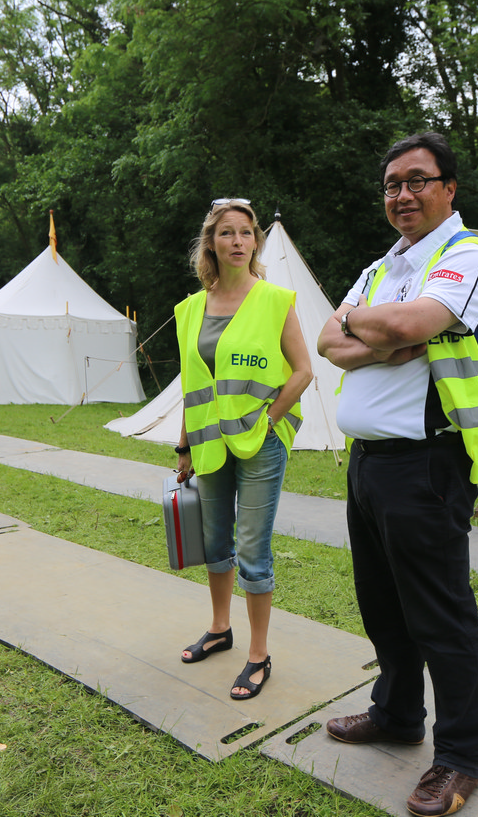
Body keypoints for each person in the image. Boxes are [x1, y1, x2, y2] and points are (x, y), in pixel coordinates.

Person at [316, 133, 478, 817]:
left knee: (441, 615)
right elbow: (326, 341)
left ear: (449, 188)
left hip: (429, 463)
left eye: (417, 180)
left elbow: (416, 320)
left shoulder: (468, 255)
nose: (402, 194)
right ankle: (396, 714)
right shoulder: (381, 266)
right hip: (369, 463)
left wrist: (370, 326)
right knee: (383, 605)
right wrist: (385, 338)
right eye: (393, 184)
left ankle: (460, 757)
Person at [174, 198, 312, 700]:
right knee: (215, 541)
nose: (237, 241)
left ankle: (258, 655)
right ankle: (219, 629)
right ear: (210, 243)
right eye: (227, 233)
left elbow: (303, 371)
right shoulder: (190, 309)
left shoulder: (275, 300)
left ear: (256, 242)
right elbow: (193, 385)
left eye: (246, 232)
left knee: (253, 548)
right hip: (209, 444)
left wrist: (269, 421)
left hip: (261, 444)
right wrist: (184, 446)